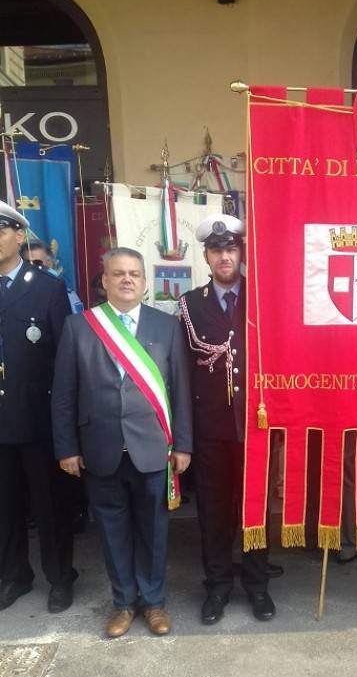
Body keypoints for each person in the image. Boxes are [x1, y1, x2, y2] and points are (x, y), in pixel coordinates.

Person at [52, 247, 193, 637]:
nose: (127, 279)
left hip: (152, 449)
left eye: (134, 273)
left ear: (145, 283)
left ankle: (154, 603)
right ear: (105, 281)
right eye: (118, 274)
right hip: (100, 450)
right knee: (112, 533)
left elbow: (179, 389)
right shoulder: (79, 327)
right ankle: (123, 604)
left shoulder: (166, 327)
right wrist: (66, 448)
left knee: (153, 531)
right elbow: (64, 393)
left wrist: (183, 444)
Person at [179, 213, 276, 624]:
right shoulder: (189, 305)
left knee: (255, 508)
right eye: (217, 250)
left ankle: (257, 585)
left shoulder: (264, 299)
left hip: (257, 426)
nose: (224, 256)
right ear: (206, 256)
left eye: (231, 248)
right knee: (214, 512)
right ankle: (217, 586)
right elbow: (182, 375)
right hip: (211, 429)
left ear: (242, 252)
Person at [0, 199, 76, 612]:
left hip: (37, 418)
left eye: (1, 231)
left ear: (17, 235)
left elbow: (63, 361)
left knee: (50, 506)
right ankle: (14, 575)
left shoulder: (46, 287)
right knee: (5, 508)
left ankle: (61, 576)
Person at [20, 239, 84, 313]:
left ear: (49, 263)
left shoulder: (65, 294)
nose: (31, 267)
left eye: (37, 263)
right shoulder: (13, 291)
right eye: (27, 263)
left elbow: (75, 322)